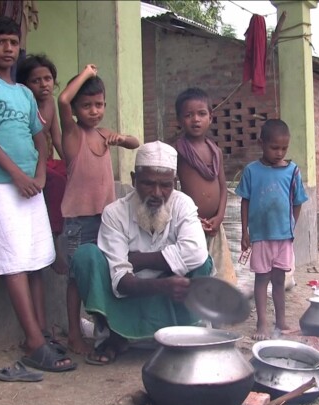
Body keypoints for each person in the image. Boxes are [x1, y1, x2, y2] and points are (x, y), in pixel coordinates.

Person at [0, 16, 75, 373]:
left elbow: (39, 137)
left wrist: (40, 173)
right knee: (14, 262)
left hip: (31, 184)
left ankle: (43, 333)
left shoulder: (26, 94)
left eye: (13, 42)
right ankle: (32, 343)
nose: (8, 49)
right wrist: (15, 175)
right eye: (0, 43)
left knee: (36, 260)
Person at [70, 141, 212, 365]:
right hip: (132, 297)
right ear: (134, 179)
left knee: (203, 263)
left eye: (165, 185)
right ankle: (117, 336)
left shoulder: (183, 204)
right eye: (148, 184)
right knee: (86, 256)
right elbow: (120, 279)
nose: (157, 193)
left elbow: (195, 253)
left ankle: (183, 332)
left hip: (170, 299)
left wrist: (138, 260)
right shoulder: (115, 213)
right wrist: (163, 284)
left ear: (174, 183)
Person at [57, 65, 140, 357]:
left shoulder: (103, 134)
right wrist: (85, 73)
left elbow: (135, 143)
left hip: (105, 221)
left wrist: (120, 138)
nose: (94, 111)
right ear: (77, 109)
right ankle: (74, 334)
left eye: (99, 104)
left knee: (103, 275)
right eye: (87, 105)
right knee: (76, 279)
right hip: (79, 221)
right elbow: (63, 101)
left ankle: (104, 328)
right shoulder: (73, 134)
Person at [236, 119, 309, 340]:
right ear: (261, 143)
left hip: (283, 237)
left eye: (284, 148)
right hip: (260, 237)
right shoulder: (251, 171)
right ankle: (262, 323)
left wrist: (291, 226)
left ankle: (281, 321)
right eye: (274, 147)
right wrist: (245, 232)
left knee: (279, 280)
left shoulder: (293, 171)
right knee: (261, 279)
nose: (279, 153)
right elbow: (245, 202)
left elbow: (298, 202)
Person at [173, 88, 237, 286]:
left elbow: (223, 187)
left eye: (201, 114)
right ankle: (193, 312)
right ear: (179, 119)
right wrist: (189, 217)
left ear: (211, 117)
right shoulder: (178, 150)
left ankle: (215, 311)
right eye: (188, 115)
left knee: (218, 273)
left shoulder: (215, 151)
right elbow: (171, 189)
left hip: (215, 225)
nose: (196, 119)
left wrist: (219, 217)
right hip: (190, 223)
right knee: (194, 270)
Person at [16, 54, 68, 275]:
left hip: (46, 159)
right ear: (24, 84)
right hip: (28, 162)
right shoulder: (21, 103)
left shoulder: (51, 105)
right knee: (55, 181)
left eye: (47, 79)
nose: (43, 84)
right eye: (36, 80)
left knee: (69, 173)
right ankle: (54, 241)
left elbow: (57, 138)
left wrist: (73, 164)